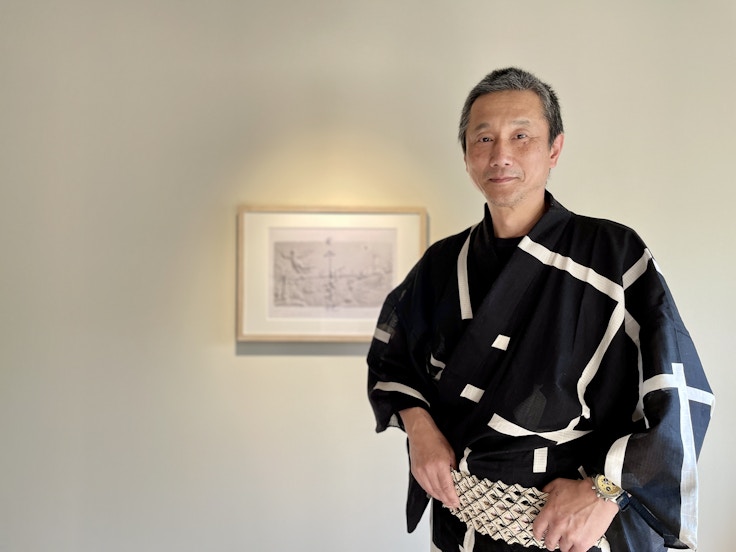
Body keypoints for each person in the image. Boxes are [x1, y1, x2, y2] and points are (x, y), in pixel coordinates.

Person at [366, 67, 713, 552]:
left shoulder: (613, 254)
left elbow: (677, 394)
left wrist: (607, 492)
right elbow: (392, 360)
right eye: (483, 138)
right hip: (463, 526)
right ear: (466, 155)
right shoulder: (441, 265)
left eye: (520, 135)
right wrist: (419, 428)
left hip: (579, 531)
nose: (500, 155)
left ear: (554, 149)